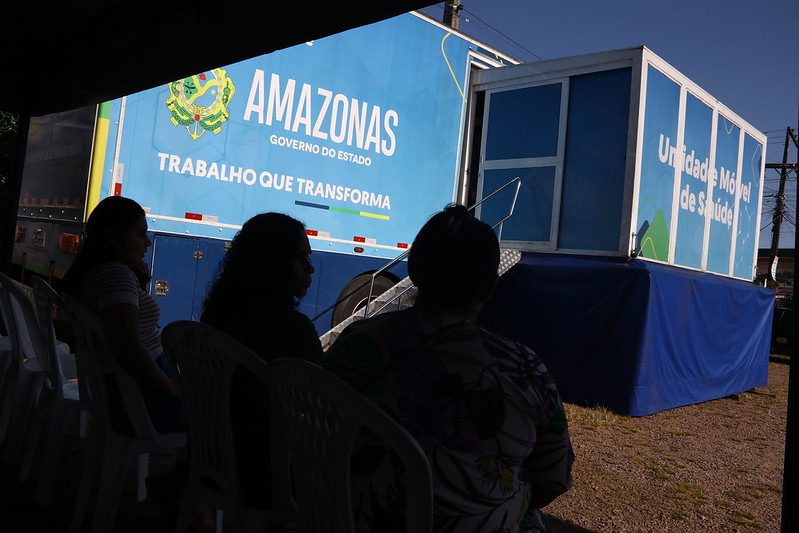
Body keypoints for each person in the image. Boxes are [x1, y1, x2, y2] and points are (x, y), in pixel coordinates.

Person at [323, 204, 574, 533]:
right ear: (489, 288)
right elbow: (553, 479)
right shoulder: (523, 369)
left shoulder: (357, 341)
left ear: (413, 270)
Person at [62, 196, 213, 531]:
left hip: (119, 396)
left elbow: (124, 326)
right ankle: (184, 492)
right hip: (140, 402)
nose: (147, 242)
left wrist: (138, 285)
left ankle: (184, 492)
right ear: (114, 237)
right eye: (140, 234)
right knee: (219, 421)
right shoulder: (115, 277)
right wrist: (170, 388)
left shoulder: (98, 273)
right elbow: (127, 347)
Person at [201, 212, 323, 507]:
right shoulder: (294, 330)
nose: (311, 269)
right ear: (274, 264)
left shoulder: (215, 317)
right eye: (301, 259)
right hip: (268, 474)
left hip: (208, 458)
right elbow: (325, 404)